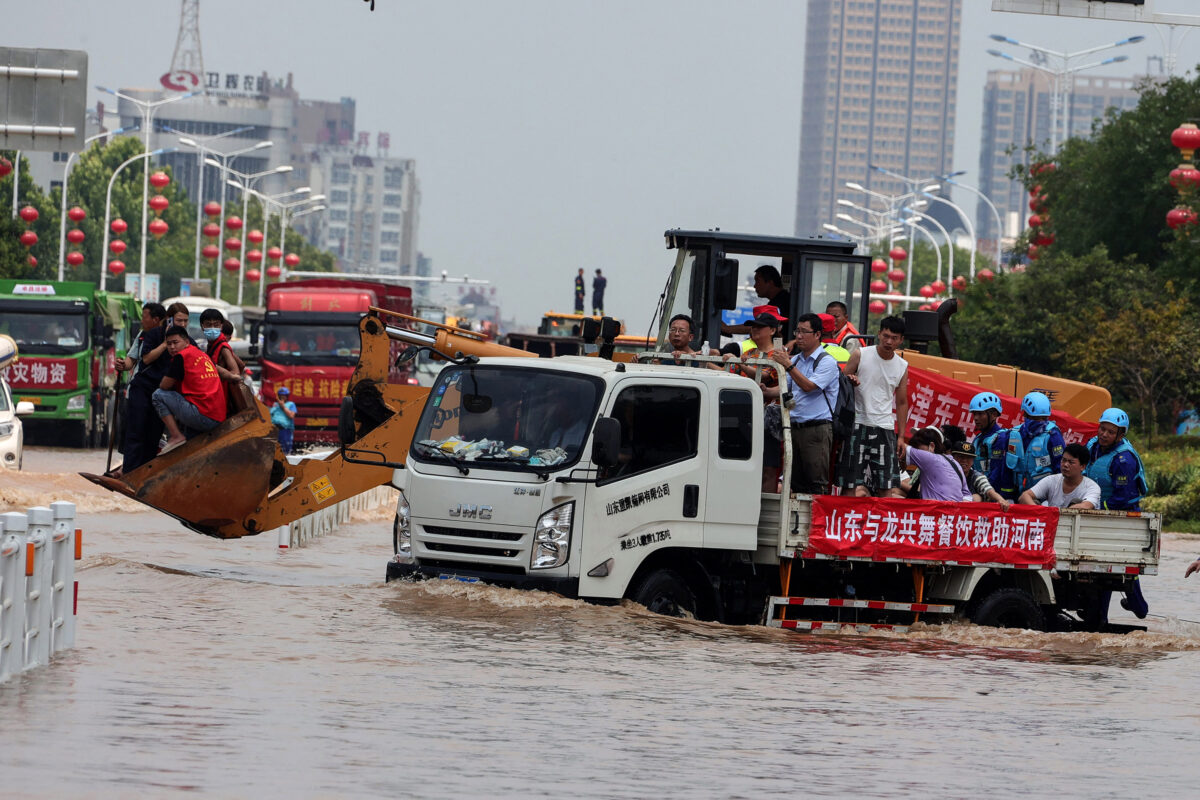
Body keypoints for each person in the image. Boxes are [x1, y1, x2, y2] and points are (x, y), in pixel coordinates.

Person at [838, 315, 909, 497]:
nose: (888, 341)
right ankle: (846, 522)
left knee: (886, 485)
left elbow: (901, 402)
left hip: (884, 427)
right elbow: (841, 384)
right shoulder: (861, 354)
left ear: (901, 340)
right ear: (879, 334)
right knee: (849, 482)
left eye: (894, 338)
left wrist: (901, 436)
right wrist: (850, 380)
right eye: (885, 336)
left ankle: (882, 524)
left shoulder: (902, 366)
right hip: (857, 423)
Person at [770, 313, 839, 494]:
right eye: (797, 331)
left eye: (804, 332)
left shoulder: (827, 362)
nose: (799, 336)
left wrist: (788, 366)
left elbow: (809, 386)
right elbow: (785, 389)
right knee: (795, 481)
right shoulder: (796, 360)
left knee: (816, 482)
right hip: (794, 426)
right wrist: (764, 390)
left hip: (817, 429)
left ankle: (816, 521)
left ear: (817, 335)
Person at [724, 308, 784, 491]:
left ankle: (766, 508)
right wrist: (703, 361)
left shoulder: (779, 354)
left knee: (768, 467)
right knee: (743, 464)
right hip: (746, 415)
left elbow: (765, 376)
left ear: (772, 331)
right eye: (753, 327)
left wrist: (737, 361)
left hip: (769, 420)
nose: (755, 330)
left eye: (760, 327)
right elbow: (730, 374)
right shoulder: (749, 354)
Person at [112, 302, 169, 476]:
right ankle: (128, 469)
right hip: (138, 389)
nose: (142, 320)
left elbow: (148, 358)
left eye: (144, 317)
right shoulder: (142, 335)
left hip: (159, 391)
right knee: (133, 430)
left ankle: (144, 470)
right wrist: (123, 365)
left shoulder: (172, 339)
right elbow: (132, 359)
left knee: (152, 432)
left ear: (156, 319)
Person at [152, 326, 228, 454]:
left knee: (158, 395)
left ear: (186, 342)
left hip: (204, 415)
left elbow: (164, 386)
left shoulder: (181, 357)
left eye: (175, 343)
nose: (171, 347)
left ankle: (176, 436)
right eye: (169, 344)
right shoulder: (201, 354)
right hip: (217, 415)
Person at [991, 391, 1065, 501]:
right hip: (1016, 497)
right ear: (1025, 415)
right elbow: (1006, 470)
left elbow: (1060, 470)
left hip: (1045, 499)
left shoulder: (1053, 436)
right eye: (1035, 418)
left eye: (1043, 418)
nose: (1040, 422)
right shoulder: (1013, 435)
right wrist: (1007, 498)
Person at [1084, 407, 1148, 511]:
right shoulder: (1092, 446)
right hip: (1094, 507)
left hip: (1119, 514)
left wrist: (1096, 507)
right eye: (1102, 429)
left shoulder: (1124, 460)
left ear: (1120, 436)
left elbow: (1123, 497)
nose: (1104, 435)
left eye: (1111, 432)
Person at [1017, 443, 1100, 509]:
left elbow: (1086, 506)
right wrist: (1040, 511)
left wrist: (1058, 514)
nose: (1065, 465)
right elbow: (1024, 496)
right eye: (1063, 460)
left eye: (1071, 462)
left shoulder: (1092, 487)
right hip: (1051, 523)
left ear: (1082, 466)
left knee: (1077, 502)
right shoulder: (1051, 480)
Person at [903, 427, 971, 502]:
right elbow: (967, 495)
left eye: (917, 448)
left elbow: (901, 447)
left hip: (935, 511)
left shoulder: (929, 458)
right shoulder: (956, 464)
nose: (916, 451)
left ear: (932, 446)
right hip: (953, 512)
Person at [722, 265, 792, 337]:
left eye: (757, 281)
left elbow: (760, 327)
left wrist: (727, 329)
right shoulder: (779, 300)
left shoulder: (780, 303)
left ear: (770, 283)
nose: (755, 286)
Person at [948, 440, 1012, 509]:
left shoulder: (976, 476)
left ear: (973, 461)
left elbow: (988, 490)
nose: (964, 460)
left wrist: (1001, 500)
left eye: (968, 457)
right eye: (960, 457)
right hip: (948, 509)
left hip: (969, 513)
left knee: (976, 498)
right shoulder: (945, 473)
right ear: (952, 458)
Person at [200, 308, 243, 383]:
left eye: (216, 325)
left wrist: (214, 367)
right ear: (202, 326)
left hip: (220, 390)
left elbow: (236, 372)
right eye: (208, 325)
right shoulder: (211, 345)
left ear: (221, 326)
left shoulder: (223, 347)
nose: (212, 328)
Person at [968, 391, 1005, 476]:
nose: (976, 418)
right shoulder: (977, 439)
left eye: (980, 414)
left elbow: (997, 472)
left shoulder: (1000, 438)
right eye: (974, 414)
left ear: (994, 415)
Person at [271, 386, 297, 454]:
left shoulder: (291, 404)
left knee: (285, 449)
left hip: (285, 430)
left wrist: (283, 406)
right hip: (275, 429)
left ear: (287, 396)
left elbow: (291, 416)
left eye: (284, 396)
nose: (282, 397)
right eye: (280, 396)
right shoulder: (275, 404)